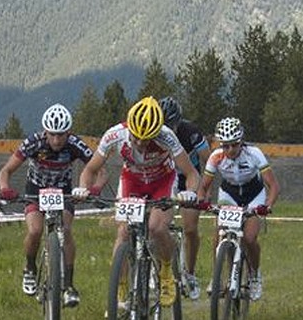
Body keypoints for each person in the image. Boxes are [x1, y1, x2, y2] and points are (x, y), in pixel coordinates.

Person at [72, 96, 200, 307]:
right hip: (132, 181)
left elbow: (192, 173)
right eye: (136, 138)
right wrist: (83, 188)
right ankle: (120, 285)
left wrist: (190, 192)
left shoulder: (167, 136)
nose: (140, 144)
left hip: (162, 180)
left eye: (147, 139)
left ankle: (166, 270)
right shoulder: (115, 134)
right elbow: (90, 169)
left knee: (157, 228)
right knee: (123, 233)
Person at [0, 103, 107, 308]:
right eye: (52, 134)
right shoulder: (33, 143)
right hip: (35, 191)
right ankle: (29, 269)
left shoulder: (76, 144)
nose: (56, 140)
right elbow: (5, 171)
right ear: (45, 131)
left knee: (65, 230)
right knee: (35, 230)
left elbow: (101, 171)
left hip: (63, 192)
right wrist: (5, 189)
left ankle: (69, 285)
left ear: (68, 133)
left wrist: (95, 189)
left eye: (61, 135)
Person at [198, 117, 280, 301]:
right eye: (225, 146)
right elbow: (203, 186)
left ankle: (255, 276)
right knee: (219, 233)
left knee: (250, 238)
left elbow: (273, 185)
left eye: (234, 145)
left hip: (253, 194)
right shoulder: (216, 156)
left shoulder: (254, 153)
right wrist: (202, 200)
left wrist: (268, 205)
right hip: (230, 194)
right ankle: (217, 277)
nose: (229, 150)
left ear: (241, 141)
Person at [159, 96, 210, 300]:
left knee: (190, 229)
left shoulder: (191, 132)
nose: (168, 129)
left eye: (171, 124)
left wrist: (202, 191)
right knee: (158, 226)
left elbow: (210, 162)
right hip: (166, 179)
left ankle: (190, 273)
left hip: (191, 179)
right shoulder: (155, 134)